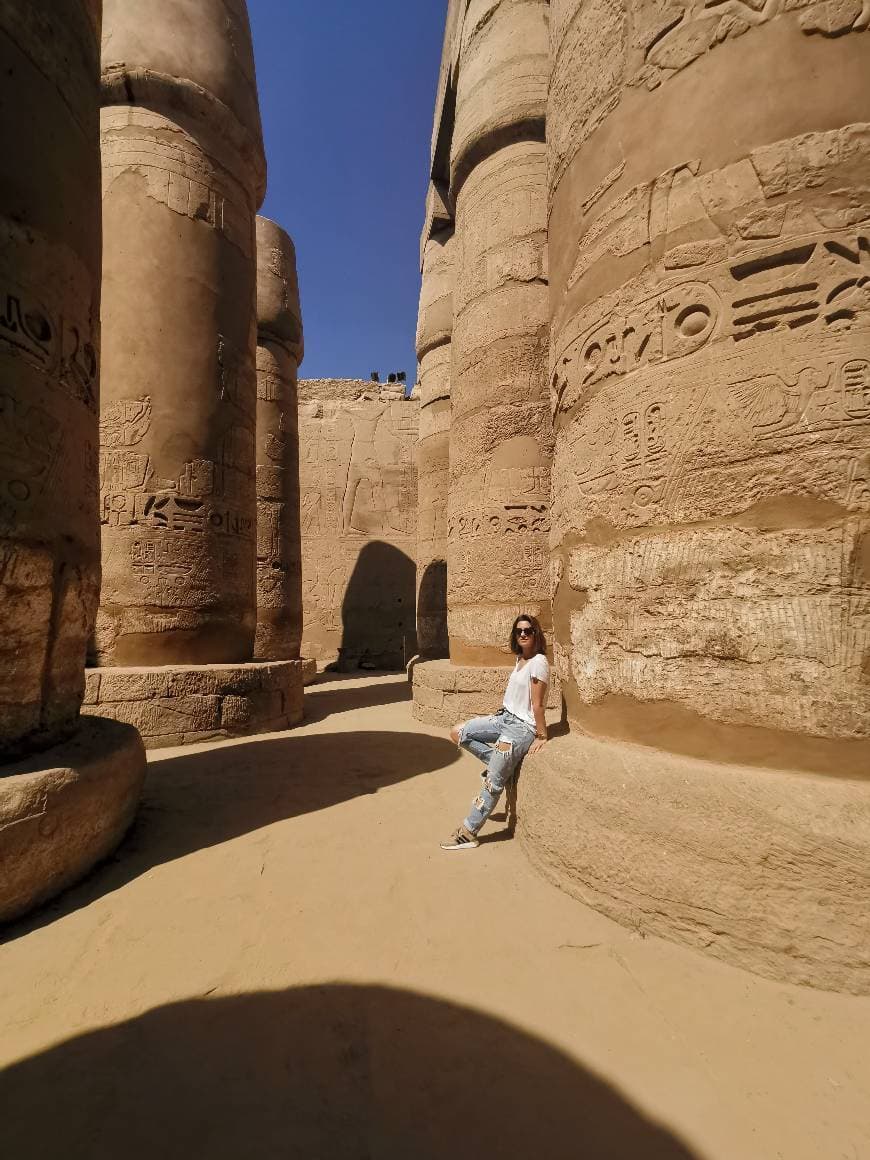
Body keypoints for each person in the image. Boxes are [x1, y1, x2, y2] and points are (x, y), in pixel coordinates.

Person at [441, 614, 549, 851]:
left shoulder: (539, 662)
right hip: (503, 719)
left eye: (528, 631)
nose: (523, 634)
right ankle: (499, 766)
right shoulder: (520, 659)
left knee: (493, 782)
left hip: (521, 728)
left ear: (535, 634)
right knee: (459, 732)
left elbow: (538, 704)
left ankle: (469, 832)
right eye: (519, 630)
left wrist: (542, 736)